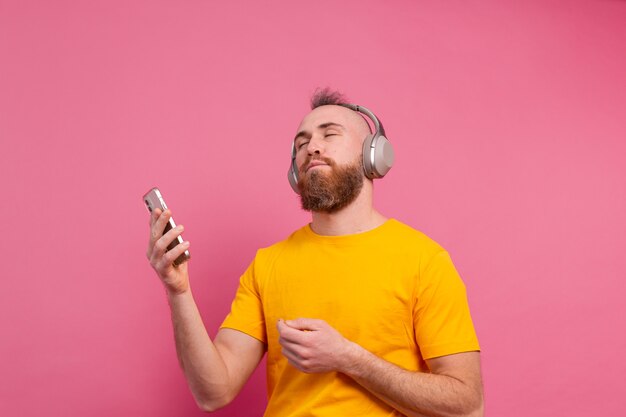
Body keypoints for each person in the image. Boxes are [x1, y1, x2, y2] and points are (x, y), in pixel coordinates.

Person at [146, 89, 484, 417]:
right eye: (301, 143)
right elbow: (212, 392)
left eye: (329, 135)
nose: (312, 148)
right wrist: (179, 290)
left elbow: (467, 407)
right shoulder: (268, 264)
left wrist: (349, 358)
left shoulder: (424, 260)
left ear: (373, 154)